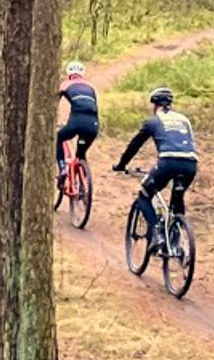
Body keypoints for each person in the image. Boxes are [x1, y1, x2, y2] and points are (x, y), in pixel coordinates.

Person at [113, 87, 197, 253]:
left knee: (144, 195)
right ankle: (175, 241)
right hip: (190, 164)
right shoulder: (184, 120)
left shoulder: (153, 121)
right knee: (177, 199)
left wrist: (121, 164)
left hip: (168, 162)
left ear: (154, 105)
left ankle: (157, 232)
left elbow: (135, 145)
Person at [56, 62, 100, 177]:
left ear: (68, 74)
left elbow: (54, 102)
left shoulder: (65, 84)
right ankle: (83, 182)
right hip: (93, 124)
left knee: (58, 138)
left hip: (76, 122)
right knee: (81, 153)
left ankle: (62, 167)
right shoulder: (91, 86)